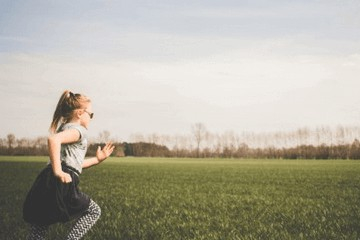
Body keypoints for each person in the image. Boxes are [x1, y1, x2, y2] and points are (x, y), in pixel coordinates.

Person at [23, 90, 115, 240]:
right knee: (93, 211)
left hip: (46, 179)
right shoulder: (79, 131)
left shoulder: (64, 127)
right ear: (80, 113)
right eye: (90, 114)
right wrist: (59, 172)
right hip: (62, 182)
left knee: (40, 225)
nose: (91, 118)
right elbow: (53, 140)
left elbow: (74, 164)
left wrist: (97, 160)